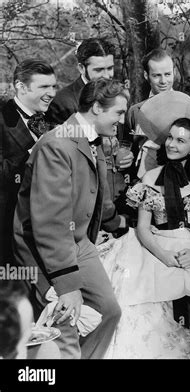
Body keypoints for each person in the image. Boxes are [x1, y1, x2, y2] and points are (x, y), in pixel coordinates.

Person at [99, 94, 190, 358]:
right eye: (170, 138)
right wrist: (164, 255)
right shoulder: (149, 178)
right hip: (157, 242)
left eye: (180, 140)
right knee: (141, 282)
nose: (172, 144)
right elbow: (143, 228)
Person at [13, 79, 128, 359]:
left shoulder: (92, 139)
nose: (122, 121)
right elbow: (50, 225)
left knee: (108, 312)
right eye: (119, 113)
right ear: (98, 108)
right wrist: (67, 286)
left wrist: (121, 223)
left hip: (78, 243)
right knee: (65, 325)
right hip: (43, 251)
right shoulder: (57, 145)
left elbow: (94, 195)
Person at [46, 38, 133, 228]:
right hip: (85, 208)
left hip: (117, 193)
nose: (107, 75)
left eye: (110, 68)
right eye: (99, 70)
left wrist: (122, 151)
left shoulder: (117, 94)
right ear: (81, 68)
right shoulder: (64, 102)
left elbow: (122, 131)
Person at [0, 59, 56, 264]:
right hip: (8, 230)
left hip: (46, 228)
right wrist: (34, 152)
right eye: (44, 87)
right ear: (20, 87)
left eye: (53, 86)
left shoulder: (51, 119)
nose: (52, 93)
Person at [124, 48, 175, 179]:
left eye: (168, 74)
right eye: (157, 75)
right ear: (146, 76)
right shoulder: (135, 112)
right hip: (144, 185)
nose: (163, 81)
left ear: (174, 72)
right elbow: (126, 149)